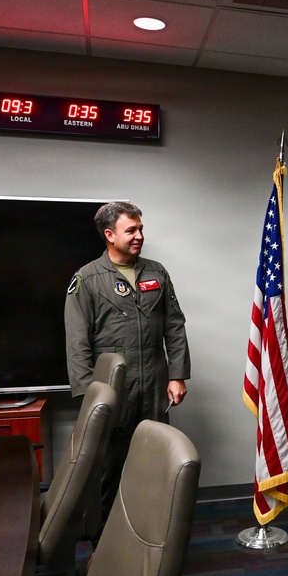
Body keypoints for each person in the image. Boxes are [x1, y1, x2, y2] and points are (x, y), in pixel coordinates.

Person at [64, 201, 190, 521]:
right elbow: (77, 343)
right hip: (113, 391)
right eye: (130, 230)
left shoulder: (156, 273)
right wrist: (87, 397)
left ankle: (152, 537)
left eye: (140, 229)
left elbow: (174, 326)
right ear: (109, 234)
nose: (139, 236)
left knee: (156, 463)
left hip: (153, 386)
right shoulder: (88, 279)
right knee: (108, 469)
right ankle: (102, 548)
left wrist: (177, 375)